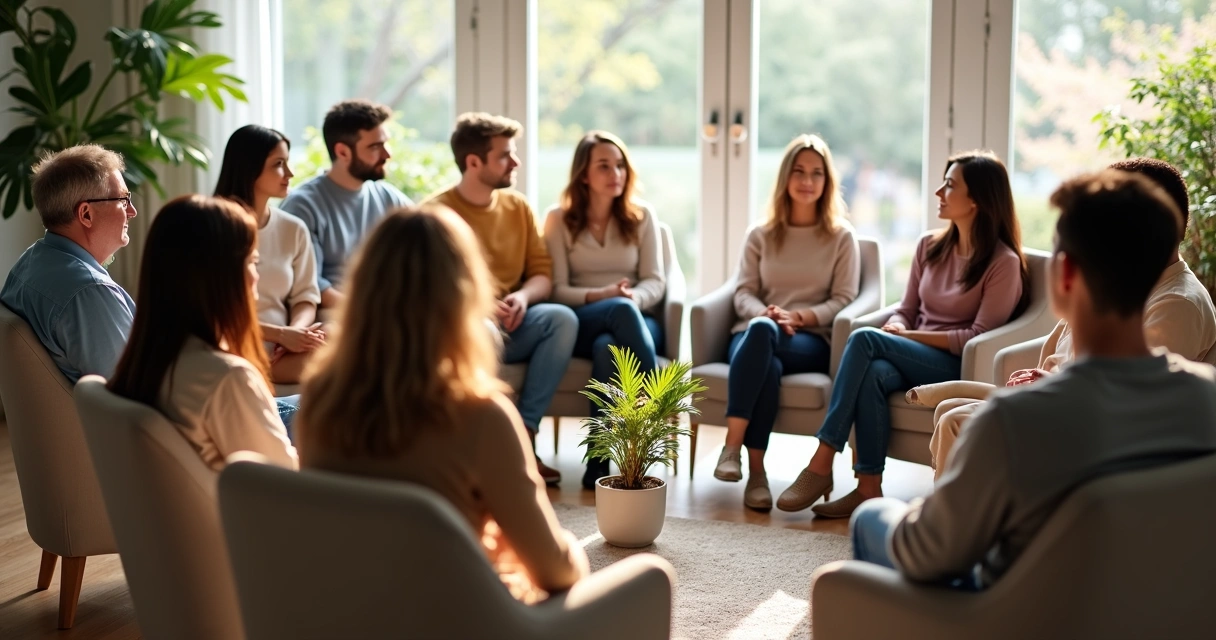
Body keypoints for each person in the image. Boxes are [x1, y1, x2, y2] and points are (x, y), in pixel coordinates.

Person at [850, 169, 1216, 590]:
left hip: (1019, 605)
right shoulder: (1205, 398)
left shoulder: (1011, 421)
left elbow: (930, 555)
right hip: (1141, 595)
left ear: (1065, 276)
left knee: (872, 519)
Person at [296, 205, 589, 602]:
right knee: (642, 578)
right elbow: (555, 571)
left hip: (349, 613)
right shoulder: (482, 416)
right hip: (456, 619)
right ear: (464, 297)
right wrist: (570, 544)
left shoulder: (320, 396)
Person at [925, 157, 1216, 478]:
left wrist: (1045, 388)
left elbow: (1127, 400)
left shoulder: (1177, 303)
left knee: (957, 422)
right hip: (1067, 403)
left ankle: (966, 522)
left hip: (1088, 431)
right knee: (952, 413)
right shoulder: (1126, 282)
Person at [779, 150, 1029, 519]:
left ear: (976, 198)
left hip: (953, 363)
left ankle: (822, 459)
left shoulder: (1002, 263)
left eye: (949, 185)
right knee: (876, 373)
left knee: (864, 338)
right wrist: (898, 324)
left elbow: (977, 336)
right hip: (909, 351)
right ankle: (868, 489)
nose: (939, 193)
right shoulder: (928, 245)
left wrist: (907, 337)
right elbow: (907, 307)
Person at [423, 112, 577, 485]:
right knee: (481, 328)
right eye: (505, 155)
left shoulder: (517, 207)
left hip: (515, 323)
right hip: (464, 329)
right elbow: (429, 286)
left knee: (561, 318)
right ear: (474, 162)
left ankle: (524, 438)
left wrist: (523, 297)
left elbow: (543, 272)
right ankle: (478, 451)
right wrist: (479, 305)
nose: (516, 162)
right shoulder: (434, 213)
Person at [710, 134, 860, 511]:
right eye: (799, 171)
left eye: (816, 173)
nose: (807, 181)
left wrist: (800, 317)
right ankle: (757, 474)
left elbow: (844, 298)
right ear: (785, 178)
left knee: (768, 340)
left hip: (807, 341)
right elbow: (742, 292)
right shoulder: (760, 234)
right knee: (767, 357)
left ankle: (732, 447)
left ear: (827, 182)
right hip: (756, 332)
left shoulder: (841, 238)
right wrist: (765, 313)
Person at [108, 195, 297, 471]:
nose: (256, 276)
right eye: (252, 262)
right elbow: (285, 480)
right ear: (221, 277)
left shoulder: (146, 363)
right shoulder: (228, 379)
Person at [543, 130, 666, 489]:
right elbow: (556, 289)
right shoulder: (559, 219)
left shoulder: (642, 216)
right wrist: (604, 296)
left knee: (608, 348)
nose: (616, 173)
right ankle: (651, 403)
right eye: (604, 166)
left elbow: (655, 282)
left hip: (638, 319)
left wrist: (631, 299)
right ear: (583, 174)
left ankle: (598, 461)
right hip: (583, 318)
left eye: (620, 165)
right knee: (616, 315)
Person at [1, 145, 137, 383]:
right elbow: (132, 390)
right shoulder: (90, 292)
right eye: (123, 200)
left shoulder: (30, 262)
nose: (132, 211)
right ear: (86, 214)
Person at [215, 124, 324, 384]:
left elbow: (306, 297)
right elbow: (211, 311)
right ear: (249, 167)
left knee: (348, 349)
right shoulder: (213, 225)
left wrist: (296, 334)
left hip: (281, 352)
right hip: (231, 348)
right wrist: (279, 334)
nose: (290, 173)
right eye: (279, 164)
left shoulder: (293, 228)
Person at [279, 100, 412, 308]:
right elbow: (310, 285)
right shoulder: (303, 206)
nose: (387, 155)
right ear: (342, 152)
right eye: (375, 147)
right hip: (335, 313)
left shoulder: (389, 198)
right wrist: (370, 311)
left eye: (385, 143)